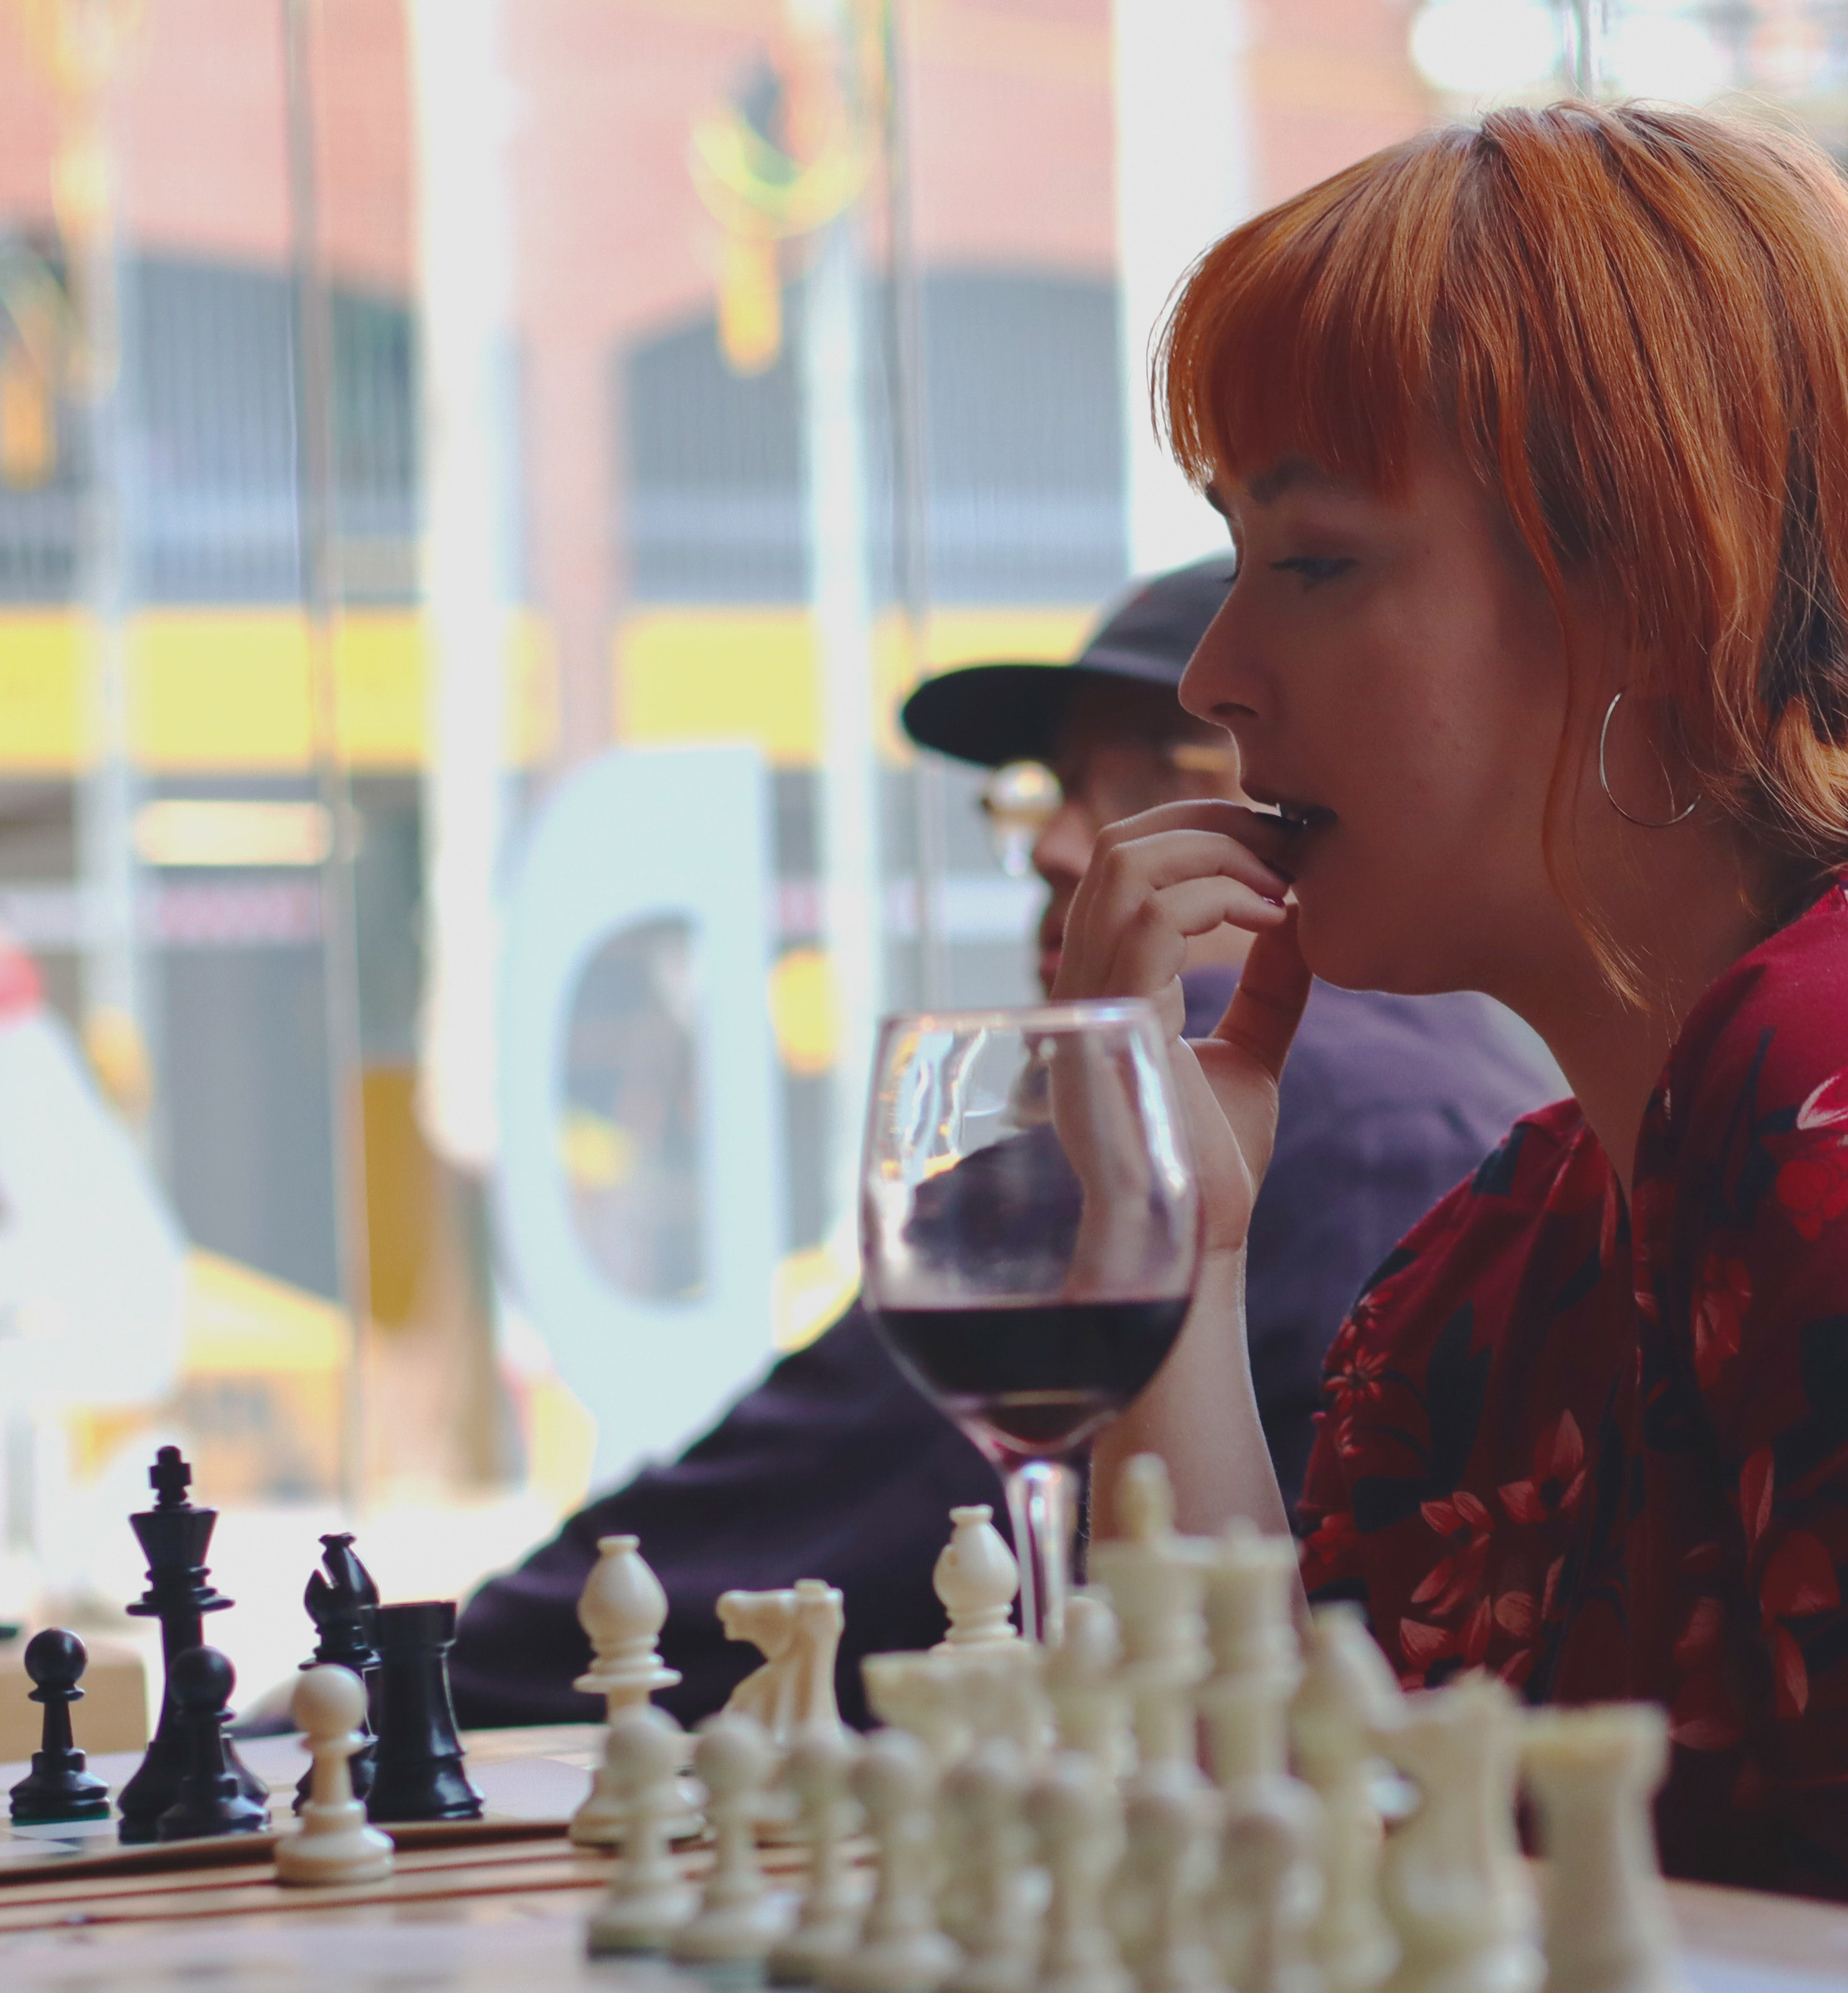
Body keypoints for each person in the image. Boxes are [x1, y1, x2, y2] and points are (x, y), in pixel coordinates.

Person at [1058, 101, 1848, 1896]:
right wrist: (1172, 1257)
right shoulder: (1493, 1260)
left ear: (1651, 587)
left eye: (1315, 560)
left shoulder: (1827, 1095)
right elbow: (1279, 1870)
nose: (1214, 674)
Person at [450, 563, 1555, 1730]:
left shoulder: (1257, 1109)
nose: (1059, 846)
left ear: (1304, 788)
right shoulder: (1475, 1080)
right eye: (1055, 788)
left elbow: (748, 1535)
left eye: (1139, 775)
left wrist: (378, 1687)